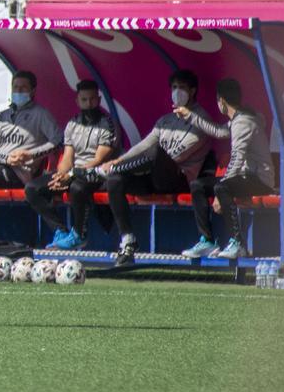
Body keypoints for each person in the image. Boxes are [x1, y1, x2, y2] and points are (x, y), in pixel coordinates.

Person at [87, 69, 217, 265]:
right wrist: (118, 161)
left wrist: (122, 165)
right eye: (174, 87)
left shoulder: (201, 120)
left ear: (193, 90)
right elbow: (143, 145)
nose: (177, 91)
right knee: (116, 180)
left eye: (181, 88)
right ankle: (128, 240)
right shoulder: (167, 119)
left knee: (156, 153)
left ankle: (107, 173)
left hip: (178, 179)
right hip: (154, 176)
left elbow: (176, 155)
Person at [175, 78, 276, 259]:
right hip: (244, 177)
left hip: (259, 179)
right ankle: (206, 241)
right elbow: (219, 132)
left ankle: (238, 243)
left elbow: (237, 158)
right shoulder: (237, 120)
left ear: (221, 100)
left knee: (222, 187)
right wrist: (189, 115)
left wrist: (219, 194)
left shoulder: (244, 121)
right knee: (198, 185)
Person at [0, 70, 62, 242]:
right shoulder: (3, 115)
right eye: (15, 87)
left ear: (33, 91)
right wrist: (7, 158)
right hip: (0, 162)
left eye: (23, 88)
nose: (18, 91)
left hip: (18, 172)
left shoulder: (41, 114)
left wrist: (30, 154)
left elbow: (57, 140)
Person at [24, 79, 119, 251]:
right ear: (77, 101)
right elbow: (68, 156)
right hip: (72, 172)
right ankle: (60, 230)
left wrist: (71, 174)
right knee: (32, 188)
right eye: (84, 100)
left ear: (98, 100)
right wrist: (60, 175)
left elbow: (99, 160)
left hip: (96, 173)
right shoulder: (72, 124)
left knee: (77, 188)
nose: (89, 104)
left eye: (92, 99)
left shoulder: (107, 124)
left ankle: (78, 235)